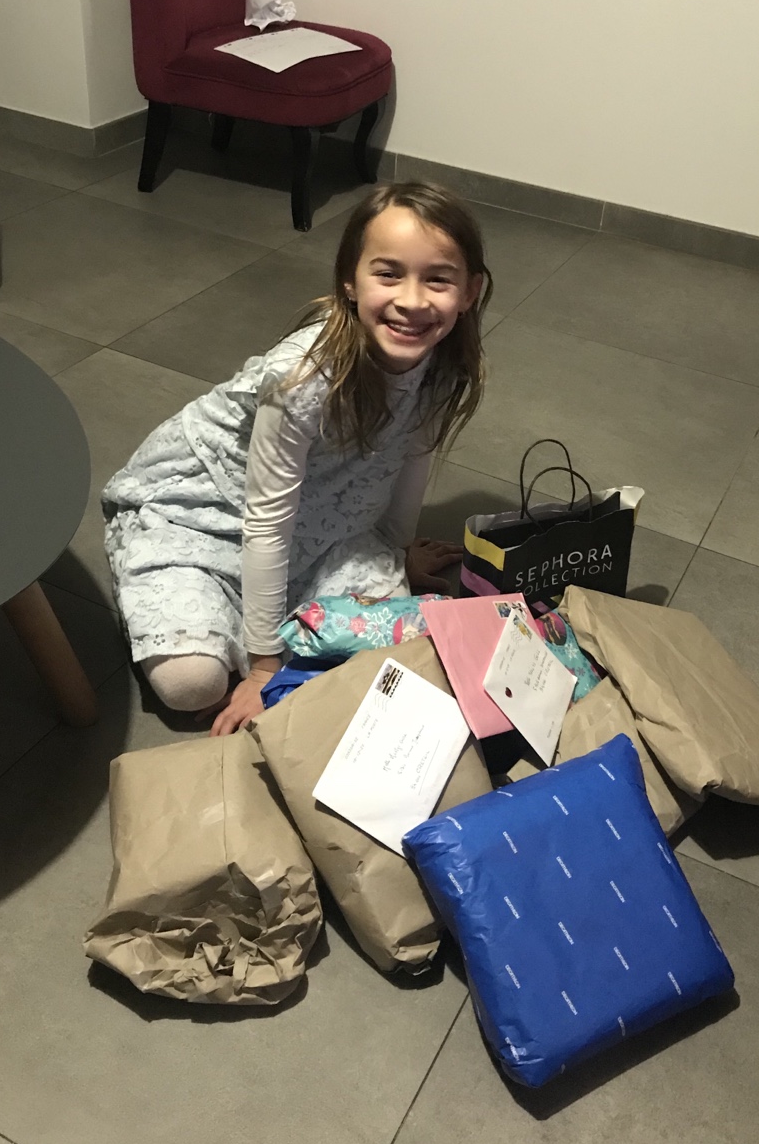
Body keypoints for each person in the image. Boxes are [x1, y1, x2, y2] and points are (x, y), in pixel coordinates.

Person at [102, 181, 492, 736]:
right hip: (208, 513)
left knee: (386, 654)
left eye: (438, 279)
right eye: (388, 274)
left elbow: (414, 457)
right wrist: (265, 667)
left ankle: (247, 620)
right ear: (349, 281)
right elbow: (265, 519)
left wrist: (397, 550)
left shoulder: (443, 362)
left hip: (331, 525)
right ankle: (162, 579)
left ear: (470, 291)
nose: (412, 301)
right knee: (192, 686)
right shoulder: (301, 377)